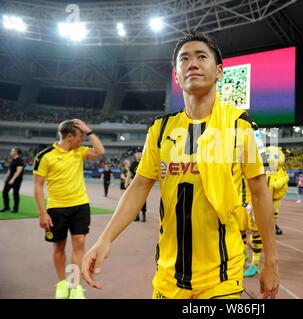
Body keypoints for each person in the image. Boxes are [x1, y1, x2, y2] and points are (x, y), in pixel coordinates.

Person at [81, 32, 279, 299]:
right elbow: (139, 186)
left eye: (201, 57)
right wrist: (104, 239)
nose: (192, 63)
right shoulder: (160, 129)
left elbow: (260, 192)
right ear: (176, 75)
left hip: (222, 274)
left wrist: (271, 261)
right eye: (184, 58)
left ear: (219, 71)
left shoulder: (243, 127)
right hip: (167, 274)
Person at [33, 119, 105, 299]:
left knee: (79, 244)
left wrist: (88, 130)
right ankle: (62, 284)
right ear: (69, 136)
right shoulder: (45, 156)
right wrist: (42, 212)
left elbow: (100, 151)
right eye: (81, 136)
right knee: (59, 246)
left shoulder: (79, 152)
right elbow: (37, 186)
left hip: (80, 206)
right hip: (56, 208)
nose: (83, 140)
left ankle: (75, 287)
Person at [1, 148, 24, 213]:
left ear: (16, 152)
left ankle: (15, 209)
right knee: (5, 192)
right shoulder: (13, 160)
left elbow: (18, 171)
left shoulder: (20, 161)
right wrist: (6, 177)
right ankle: (6, 207)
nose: (11, 152)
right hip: (10, 179)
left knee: (15, 194)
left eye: (12, 151)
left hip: (17, 180)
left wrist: (13, 179)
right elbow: (10, 169)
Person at [126, 150, 146, 222]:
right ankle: (136, 216)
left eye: (140, 153)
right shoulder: (133, 164)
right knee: (135, 201)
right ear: (135, 155)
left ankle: (144, 215)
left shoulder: (145, 163)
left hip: (143, 186)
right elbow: (129, 173)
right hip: (134, 185)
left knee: (143, 201)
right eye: (137, 153)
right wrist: (126, 182)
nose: (138, 155)